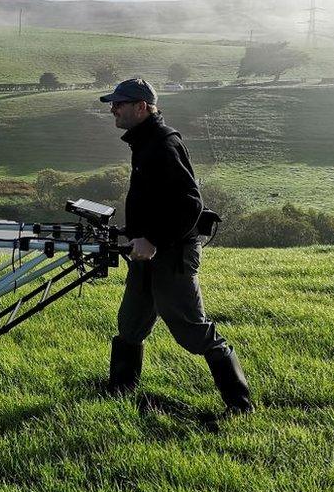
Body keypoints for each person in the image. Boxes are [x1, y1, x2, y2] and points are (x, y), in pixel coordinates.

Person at [99, 78, 253, 414]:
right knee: (130, 324)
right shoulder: (144, 142)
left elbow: (189, 204)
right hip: (147, 253)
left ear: (142, 107)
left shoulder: (162, 144)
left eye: (119, 104)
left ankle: (240, 405)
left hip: (171, 254)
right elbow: (156, 201)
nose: (113, 109)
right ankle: (119, 393)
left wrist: (152, 239)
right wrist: (133, 232)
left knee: (192, 330)